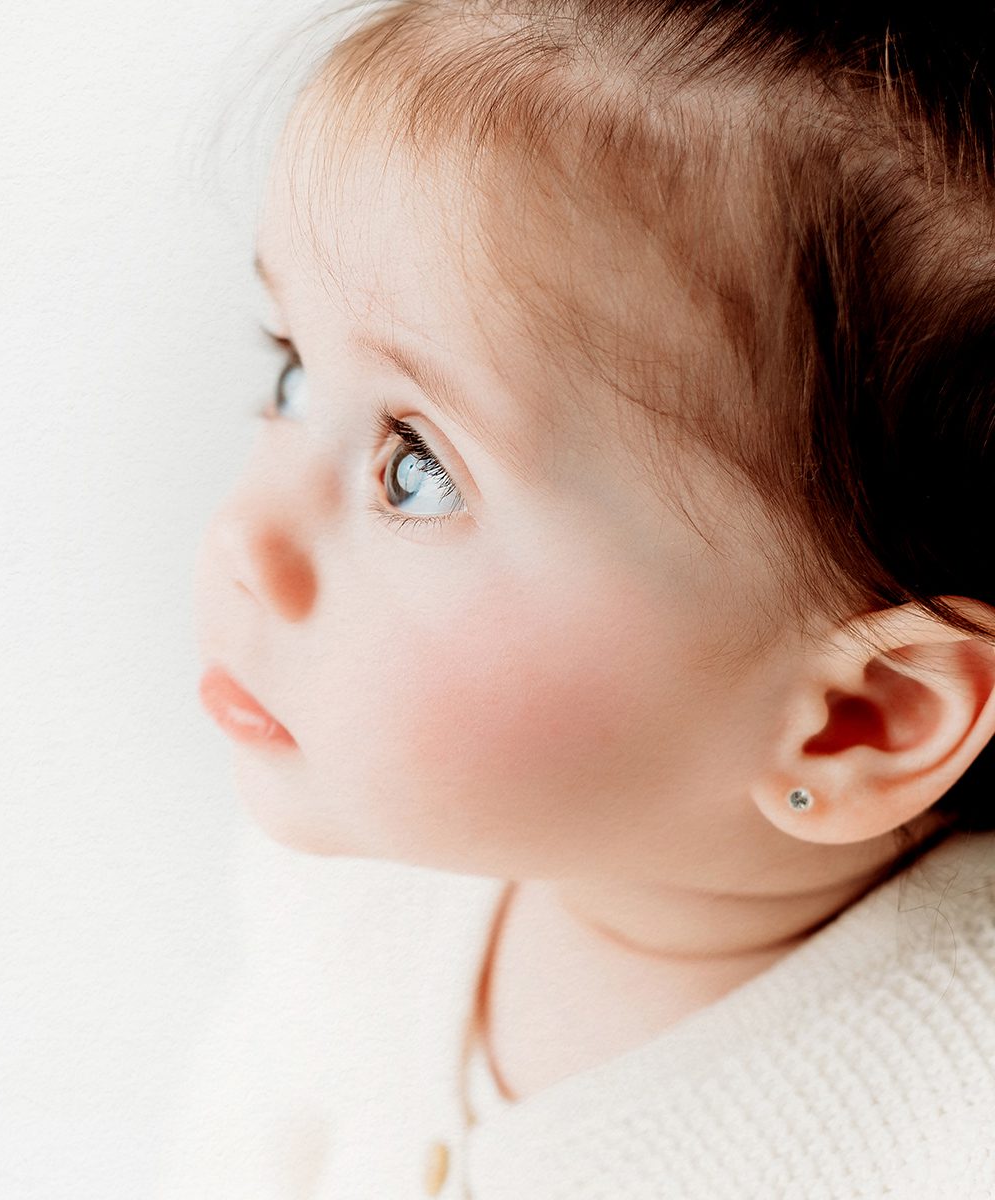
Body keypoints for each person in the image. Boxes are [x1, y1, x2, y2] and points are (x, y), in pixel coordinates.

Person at [161, 1, 995, 1195]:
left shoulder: (950, 1114)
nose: (246, 536)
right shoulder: (358, 874)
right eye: (294, 371)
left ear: (858, 719)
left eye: (417, 467)